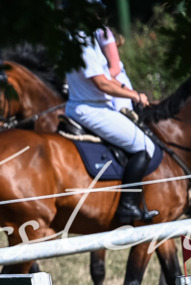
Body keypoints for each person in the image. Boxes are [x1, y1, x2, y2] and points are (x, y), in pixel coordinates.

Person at [65, 9, 158, 224]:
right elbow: (102, 83)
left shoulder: (81, 37)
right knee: (145, 146)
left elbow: (108, 77)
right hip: (92, 108)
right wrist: (133, 95)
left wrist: (130, 91)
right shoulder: (83, 41)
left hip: (88, 104)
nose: (101, 18)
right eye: (98, 14)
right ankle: (128, 207)